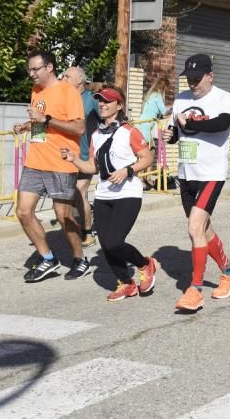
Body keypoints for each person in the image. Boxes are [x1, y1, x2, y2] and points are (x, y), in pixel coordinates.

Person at [61, 86, 158, 302]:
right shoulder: (96, 134)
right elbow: (92, 167)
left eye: (108, 100)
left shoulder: (129, 131)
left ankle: (145, 264)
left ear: (119, 105)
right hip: (104, 194)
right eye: (100, 101)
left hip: (128, 193)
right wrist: (74, 159)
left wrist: (128, 170)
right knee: (105, 244)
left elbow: (147, 158)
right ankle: (126, 283)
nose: (102, 104)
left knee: (115, 242)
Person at [165, 54, 230, 312]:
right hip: (187, 173)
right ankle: (229, 271)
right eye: (189, 79)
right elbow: (177, 131)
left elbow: (221, 124)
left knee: (194, 227)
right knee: (202, 229)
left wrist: (191, 122)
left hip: (211, 173)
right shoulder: (181, 99)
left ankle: (195, 289)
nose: (193, 84)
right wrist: (171, 134)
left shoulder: (225, 98)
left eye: (198, 79)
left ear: (211, 76)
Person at [13, 50, 90, 283]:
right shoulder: (37, 90)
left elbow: (79, 128)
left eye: (35, 69)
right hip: (35, 160)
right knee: (23, 211)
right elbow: (41, 121)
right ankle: (48, 258)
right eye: (29, 69)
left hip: (60, 161)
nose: (31, 74)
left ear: (49, 68)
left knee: (63, 214)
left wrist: (44, 119)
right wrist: (28, 125)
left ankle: (80, 259)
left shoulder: (68, 92)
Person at [62, 66, 97, 247]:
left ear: (80, 80)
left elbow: (109, 118)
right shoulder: (63, 97)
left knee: (79, 192)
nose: (63, 78)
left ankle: (87, 233)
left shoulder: (91, 100)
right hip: (64, 155)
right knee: (69, 195)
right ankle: (79, 224)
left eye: (68, 76)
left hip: (84, 155)